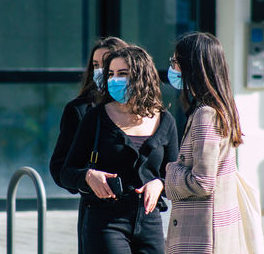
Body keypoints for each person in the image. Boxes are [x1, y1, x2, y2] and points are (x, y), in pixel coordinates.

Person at [60, 46, 178, 254]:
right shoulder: (95, 117)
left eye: (123, 74)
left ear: (142, 77)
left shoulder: (166, 121)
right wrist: (88, 176)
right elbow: (66, 171)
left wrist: (159, 184)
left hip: (150, 220)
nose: (115, 80)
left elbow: (174, 176)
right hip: (106, 220)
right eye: (111, 74)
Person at [164, 32, 247, 254]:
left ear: (193, 67)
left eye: (175, 62)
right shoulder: (221, 110)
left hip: (200, 237)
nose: (172, 69)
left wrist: (170, 173)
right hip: (211, 232)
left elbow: (202, 182)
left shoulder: (206, 115)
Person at [49, 37, 128, 253]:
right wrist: (87, 177)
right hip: (97, 211)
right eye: (95, 65)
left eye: (106, 62)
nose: (101, 70)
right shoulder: (80, 110)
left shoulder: (147, 114)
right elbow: (59, 168)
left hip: (140, 214)